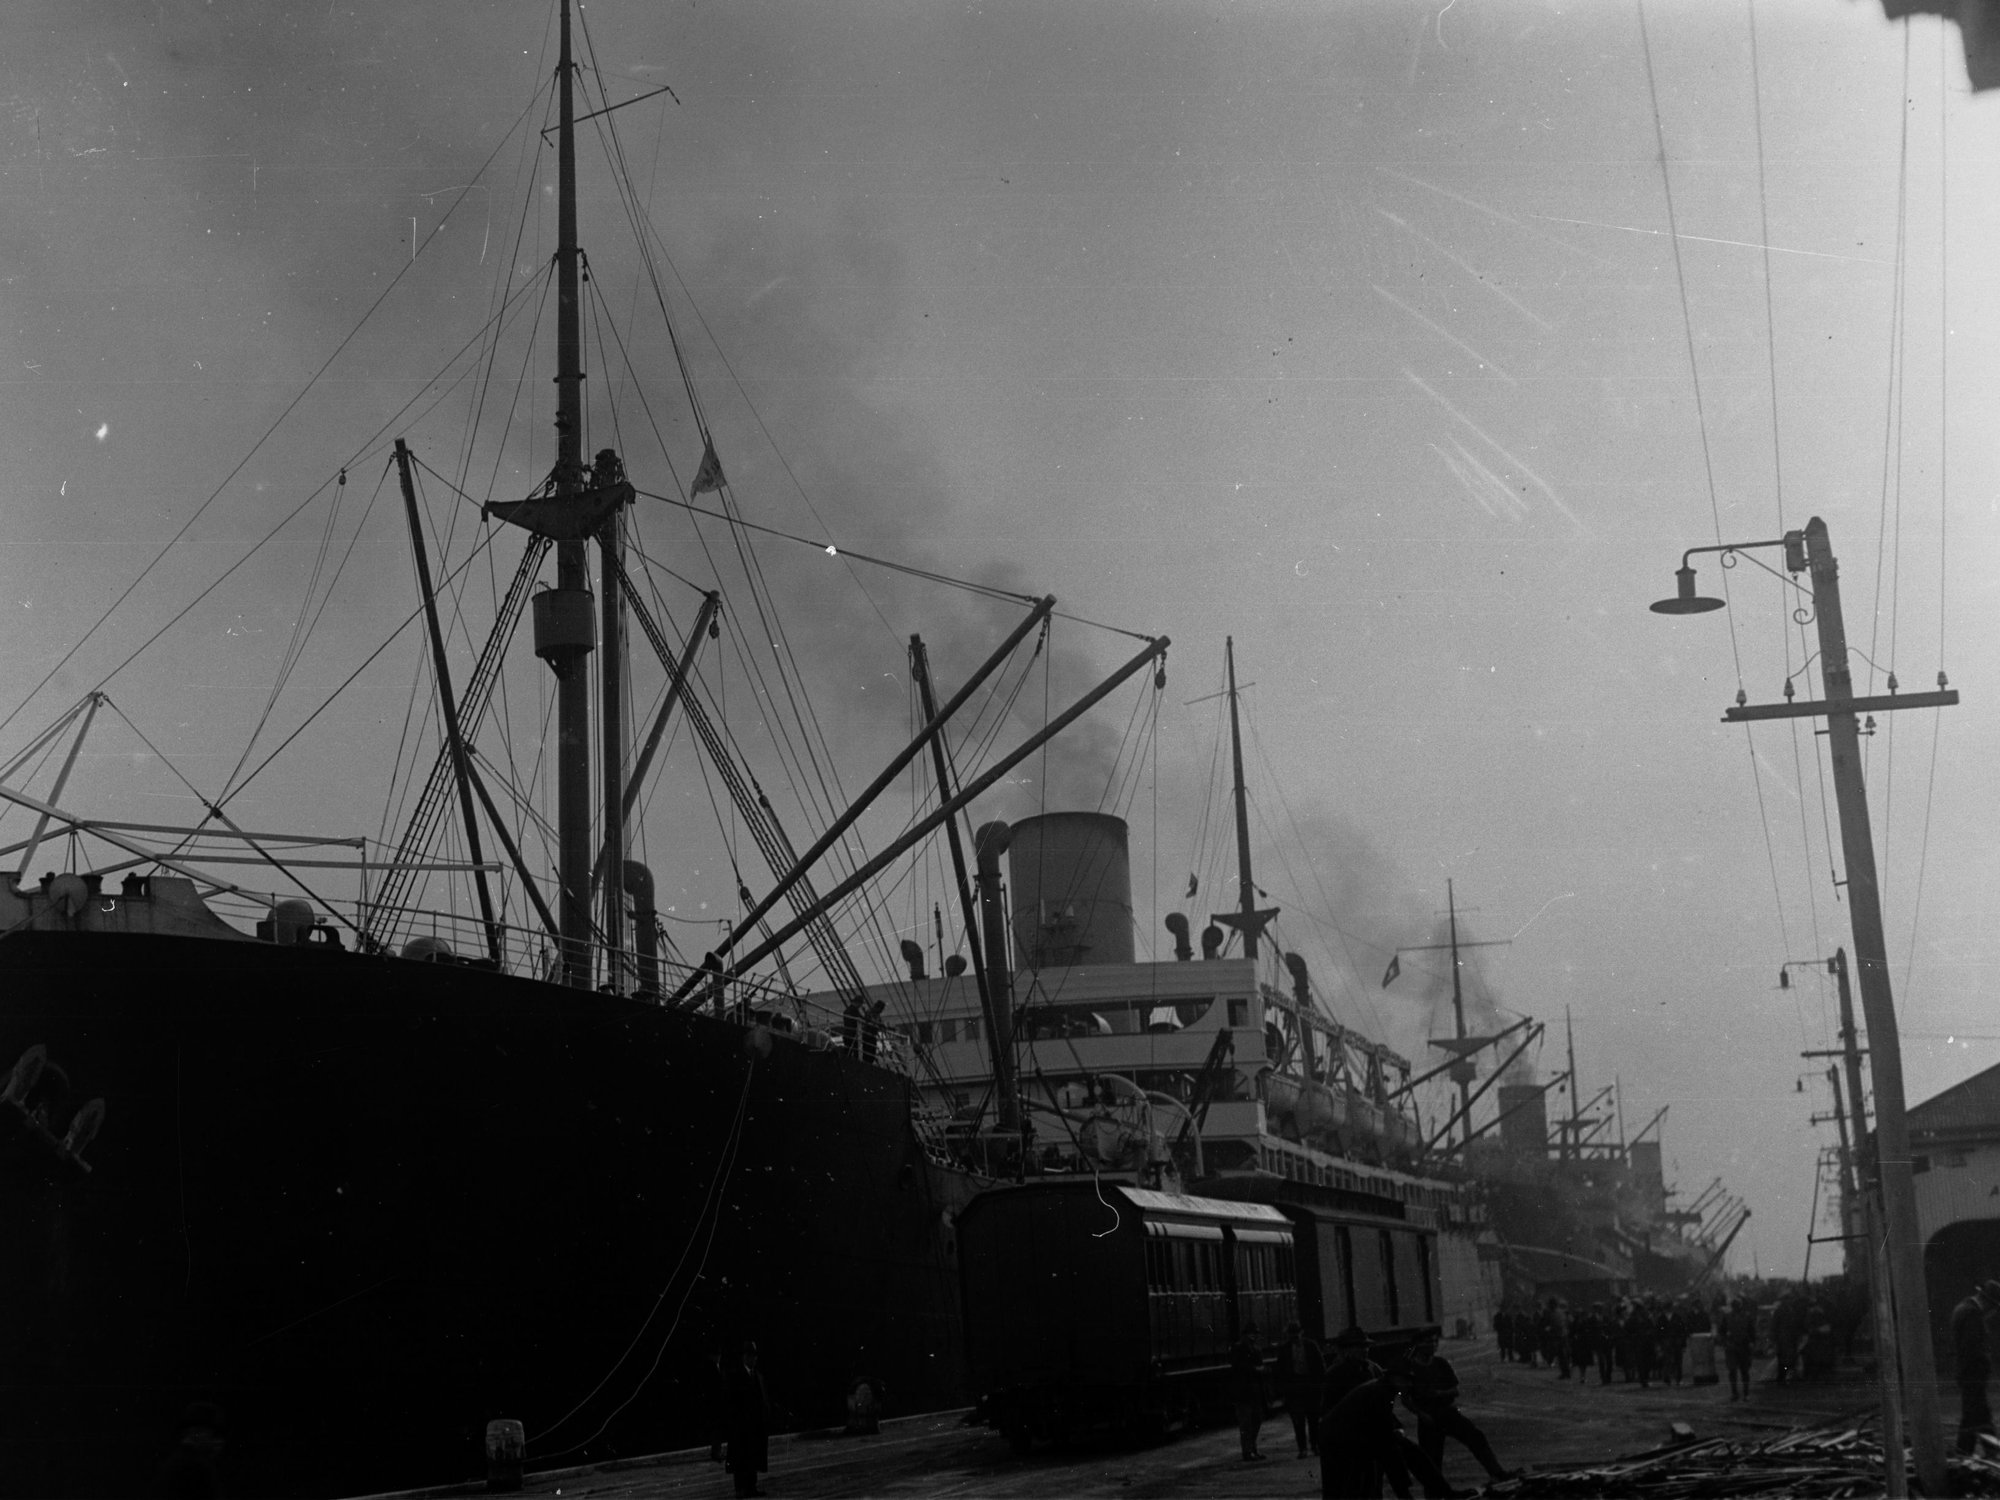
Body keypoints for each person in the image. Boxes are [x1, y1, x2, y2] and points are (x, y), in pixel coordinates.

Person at [1398, 1332, 1513, 1487]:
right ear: (1417, 1345)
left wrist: (1439, 1393)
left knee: (1475, 1437)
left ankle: (1497, 1472)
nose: (1433, 1345)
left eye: (1434, 1341)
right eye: (1428, 1341)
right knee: (1432, 1459)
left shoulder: (1440, 1363)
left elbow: (1455, 1390)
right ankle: (1434, 1494)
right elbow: (1405, 1399)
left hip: (1447, 1412)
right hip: (1429, 1417)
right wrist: (1421, 1414)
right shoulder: (1411, 1369)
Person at [1950, 1279, 2000, 1453]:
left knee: (1976, 1415)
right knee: (1975, 1415)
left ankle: (1976, 1450)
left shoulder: (1964, 1309)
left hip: (1967, 1373)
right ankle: (1972, 1451)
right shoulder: (1972, 1314)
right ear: (1987, 1302)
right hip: (1972, 1374)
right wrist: (1984, 1363)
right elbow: (1973, 1347)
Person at [724, 1340, 771, 1498]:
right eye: (750, 1356)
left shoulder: (758, 1376)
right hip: (741, 1426)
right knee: (740, 1458)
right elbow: (731, 1402)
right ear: (744, 1357)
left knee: (753, 1457)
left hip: (755, 1426)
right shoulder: (735, 1376)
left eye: (755, 1356)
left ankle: (751, 1487)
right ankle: (740, 1489)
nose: (753, 1359)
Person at [1273, 1321, 1325, 1458]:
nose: (1294, 1336)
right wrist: (1283, 1390)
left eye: (1296, 1333)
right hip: (1294, 1388)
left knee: (1313, 1419)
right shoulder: (1284, 1349)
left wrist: (1320, 1386)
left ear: (1301, 1333)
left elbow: (1320, 1366)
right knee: (1298, 1421)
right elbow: (1279, 1371)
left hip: (1310, 1386)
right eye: (1291, 1334)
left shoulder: (1311, 1346)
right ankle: (1302, 1448)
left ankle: (1314, 1446)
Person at [154, 1403, 225, 1500]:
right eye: (212, 1434)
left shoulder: (174, 1463)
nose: (217, 1441)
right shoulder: (197, 1467)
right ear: (196, 1433)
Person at [1231, 1322, 1268, 1460]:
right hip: (1245, 1391)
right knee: (1247, 1423)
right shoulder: (1239, 1348)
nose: (1254, 1336)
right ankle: (1248, 1450)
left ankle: (1252, 1449)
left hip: (1253, 1391)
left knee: (1255, 1421)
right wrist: (1256, 1369)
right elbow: (1238, 1368)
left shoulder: (1255, 1349)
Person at [1723, 1295, 1758, 1402]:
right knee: (1733, 1371)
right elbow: (1722, 1331)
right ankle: (1735, 1393)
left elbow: (1752, 1332)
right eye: (1734, 1305)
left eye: (1737, 1305)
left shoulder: (1747, 1317)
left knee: (1744, 1372)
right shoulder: (1727, 1317)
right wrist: (1725, 1341)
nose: (1736, 1307)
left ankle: (1746, 1394)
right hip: (1732, 1347)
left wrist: (1751, 1343)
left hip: (1744, 1346)